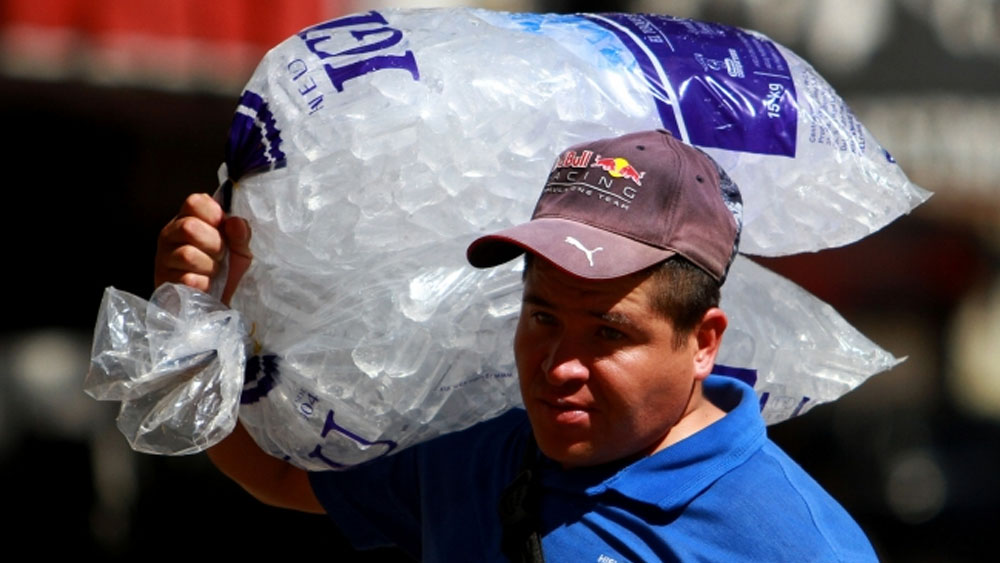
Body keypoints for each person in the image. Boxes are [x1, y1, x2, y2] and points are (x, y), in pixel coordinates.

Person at [155, 129, 878, 561]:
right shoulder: (485, 458)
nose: (558, 365)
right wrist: (192, 321)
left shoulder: (790, 537)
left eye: (608, 333)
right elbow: (274, 476)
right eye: (541, 318)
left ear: (702, 342)